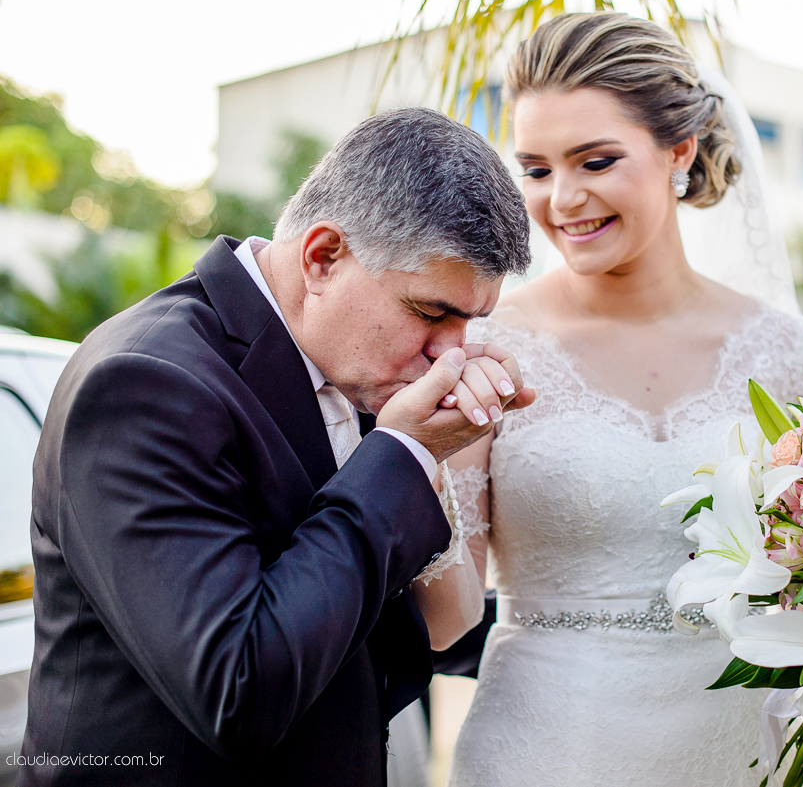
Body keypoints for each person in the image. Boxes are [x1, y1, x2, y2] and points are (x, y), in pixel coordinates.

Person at [20, 108, 534, 787]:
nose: (452, 351)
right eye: (432, 312)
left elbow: (407, 638)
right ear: (323, 256)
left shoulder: (364, 373)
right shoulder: (144, 382)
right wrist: (403, 455)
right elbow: (239, 689)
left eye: (471, 320)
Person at [420, 12, 803, 787]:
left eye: (596, 160)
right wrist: (425, 455)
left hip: (747, 748)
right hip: (548, 750)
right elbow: (448, 621)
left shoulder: (789, 353)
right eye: (538, 170)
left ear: (680, 148)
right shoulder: (486, 347)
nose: (564, 200)